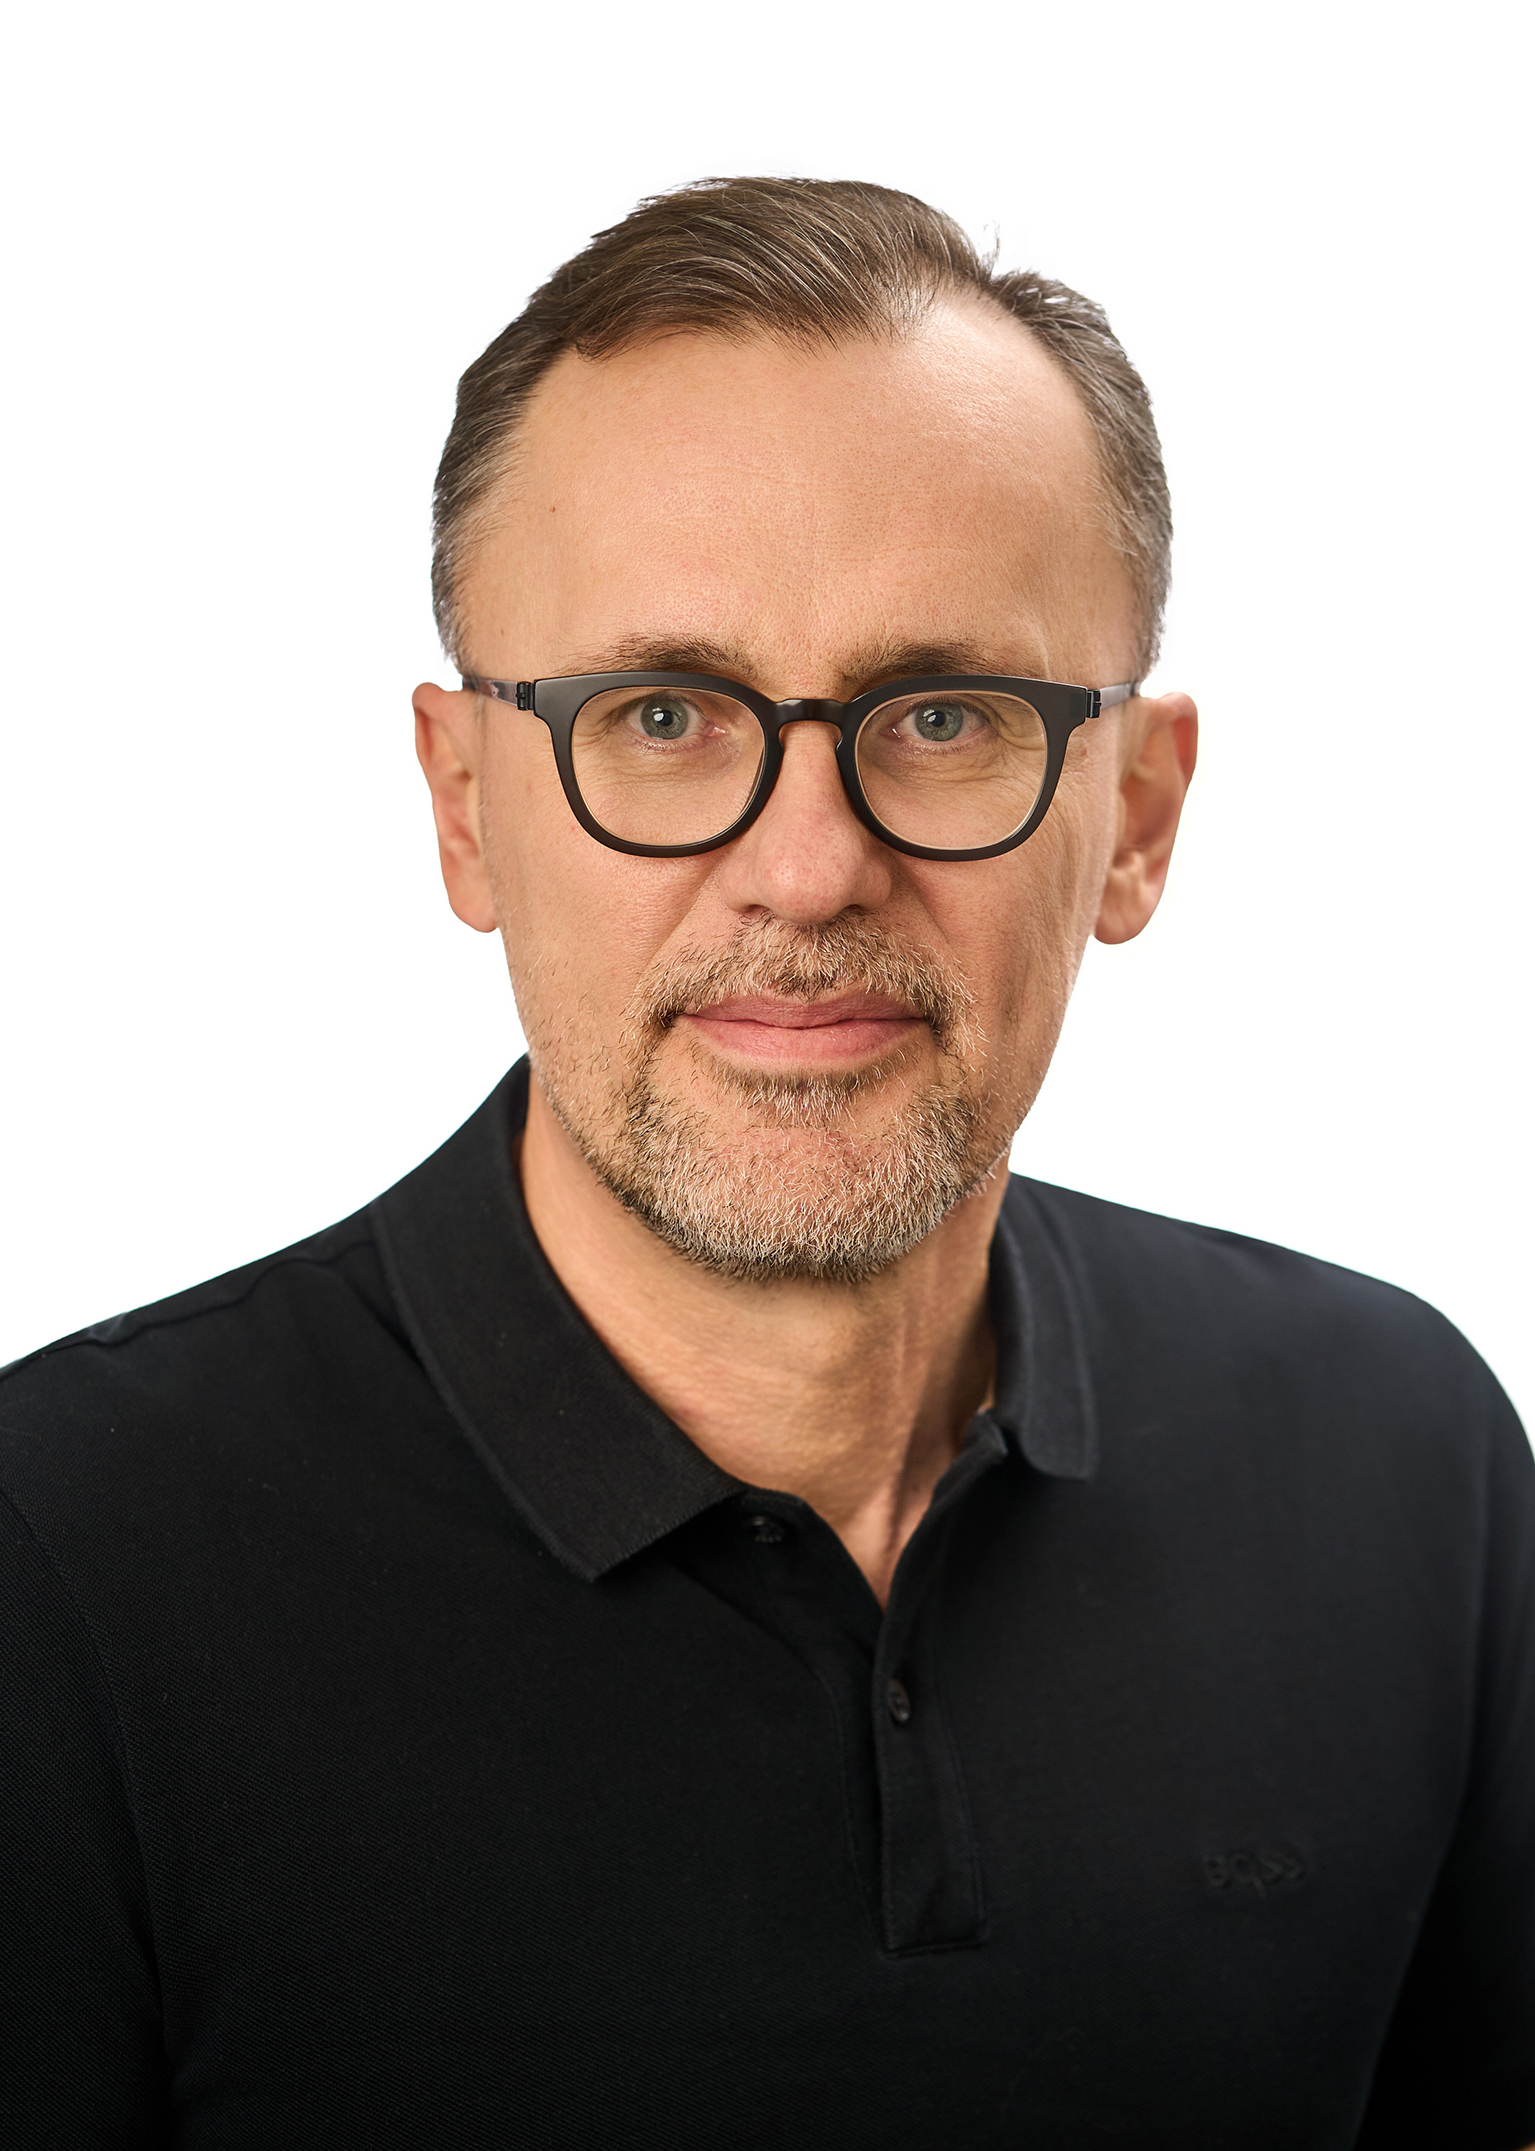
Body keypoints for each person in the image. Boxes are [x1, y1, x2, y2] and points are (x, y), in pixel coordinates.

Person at [1, 177, 1530, 2151]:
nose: (807, 869)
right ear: (464, 806)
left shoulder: (1408, 1462)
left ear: (1138, 817)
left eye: (944, 715)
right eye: (661, 713)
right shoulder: (59, 1568)